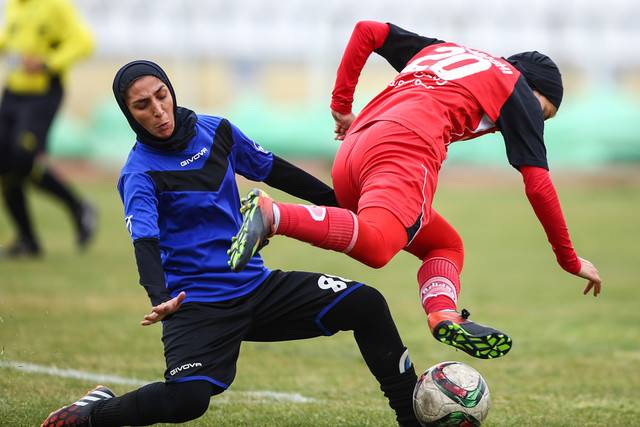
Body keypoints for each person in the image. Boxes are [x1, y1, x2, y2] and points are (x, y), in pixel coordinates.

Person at [40, 60, 421, 427]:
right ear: (129, 114)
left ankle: (412, 418)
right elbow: (145, 240)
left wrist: (348, 207)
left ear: (171, 91)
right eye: (142, 105)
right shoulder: (139, 172)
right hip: (198, 303)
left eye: (161, 96)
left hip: (257, 287)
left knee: (366, 304)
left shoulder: (217, 131)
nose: (158, 110)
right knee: (187, 401)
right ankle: (92, 415)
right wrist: (159, 296)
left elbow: (278, 172)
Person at [228, 21, 603, 360]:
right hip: (405, 148)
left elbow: (368, 31)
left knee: (445, 244)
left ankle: (444, 314)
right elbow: (538, 186)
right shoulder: (515, 86)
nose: (538, 121)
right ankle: (272, 214)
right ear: (531, 86)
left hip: (354, 150)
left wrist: (342, 107)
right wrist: (568, 259)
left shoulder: (444, 52)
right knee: (377, 247)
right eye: (543, 112)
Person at [0, 0, 96, 257]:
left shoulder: (55, 5)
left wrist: (47, 63)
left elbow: (83, 43)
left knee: (22, 159)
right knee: (3, 163)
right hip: (13, 93)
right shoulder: (14, 6)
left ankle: (78, 206)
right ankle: (28, 240)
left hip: (43, 92)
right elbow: (10, 40)